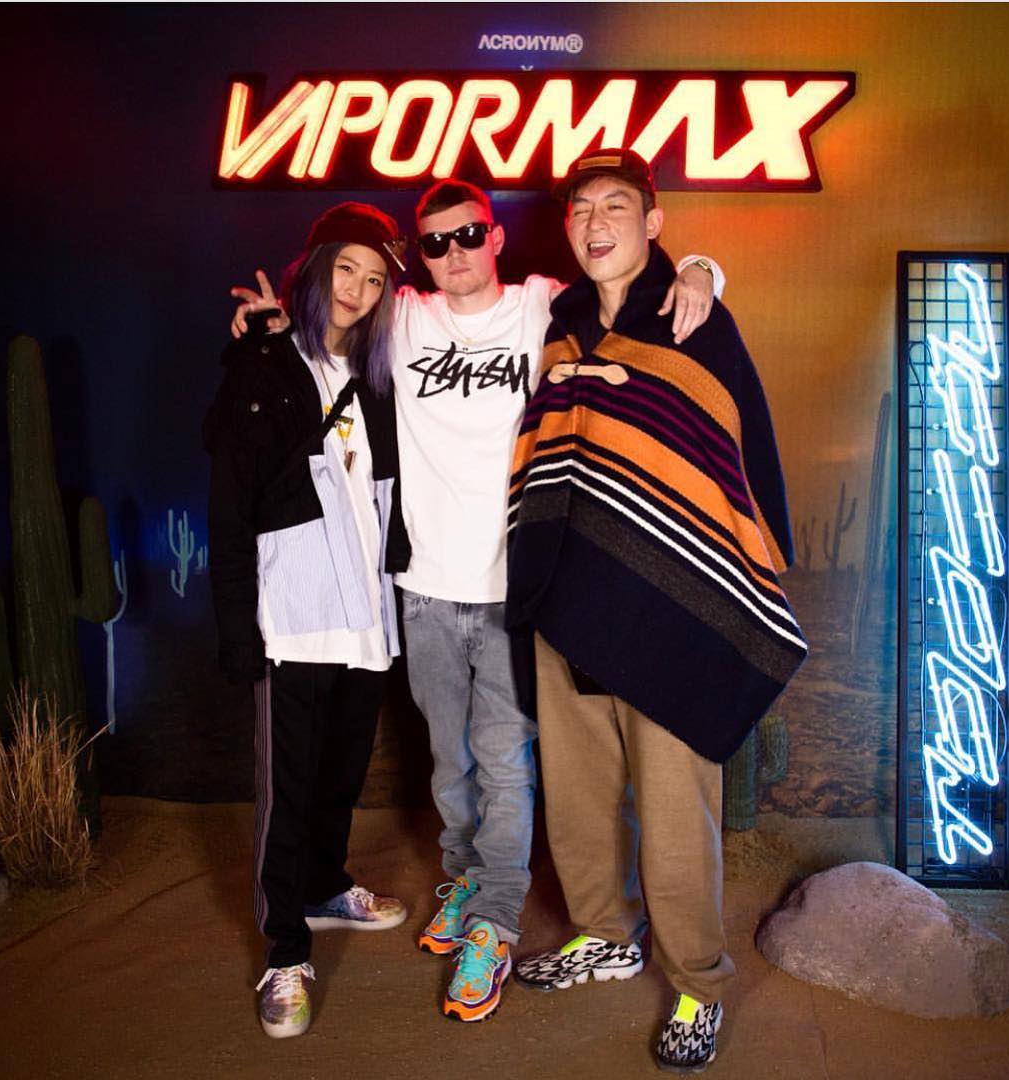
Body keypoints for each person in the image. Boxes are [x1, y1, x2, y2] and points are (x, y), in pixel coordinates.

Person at [231, 181, 725, 1022]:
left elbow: (630, 284)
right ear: (419, 257)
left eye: (468, 235)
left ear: (495, 238)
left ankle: (495, 920)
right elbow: (332, 322)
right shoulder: (405, 317)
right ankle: (465, 880)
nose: (453, 252)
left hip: (509, 592)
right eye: (434, 243)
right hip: (422, 591)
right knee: (449, 763)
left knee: (504, 762)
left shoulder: (540, 306)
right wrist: (273, 326)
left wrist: (702, 270)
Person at [505, 151, 808, 1071]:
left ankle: (697, 984)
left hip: (671, 606)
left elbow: (739, 448)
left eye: (617, 207)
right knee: (578, 798)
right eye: (581, 209)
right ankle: (604, 934)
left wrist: (704, 272)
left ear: (653, 222)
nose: (596, 224)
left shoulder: (693, 319)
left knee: (677, 815)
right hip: (569, 597)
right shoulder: (559, 328)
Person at [205, 203, 412, 1039]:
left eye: (375, 277)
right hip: (291, 617)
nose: (359, 289)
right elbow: (228, 501)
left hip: (365, 613)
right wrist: (237, 631)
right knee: (287, 793)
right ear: (317, 268)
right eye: (347, 268)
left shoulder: (375, 375)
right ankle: (285, 951)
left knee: (339, 774)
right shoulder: (266, 366)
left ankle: (325, 887)